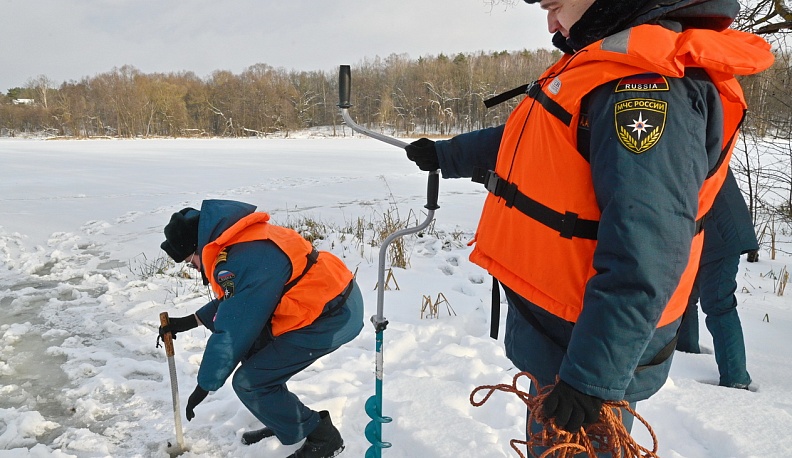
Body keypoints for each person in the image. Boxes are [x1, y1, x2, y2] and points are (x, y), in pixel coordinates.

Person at [404, 0, 773, 452]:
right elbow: (539, 133)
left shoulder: (647, 87)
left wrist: (591, 379)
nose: (550, 23)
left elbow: (647, 252)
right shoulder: (603, 66)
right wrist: (448, 155)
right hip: (559, 333)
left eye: (555, 5)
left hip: (584, 352)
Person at [158, 199, 363, 458]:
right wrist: (190, 321)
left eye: (190, 261)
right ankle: (283, 418)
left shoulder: (242, 258)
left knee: (251, 382)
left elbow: (234, 332)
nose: (195, 268)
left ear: (199, 247)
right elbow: (242, 298)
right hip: (327, 299)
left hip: (330, 315)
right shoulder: (242, 241)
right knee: (256, 355)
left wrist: (204, 385)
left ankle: (323, 437)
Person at [676, 168, 757, 389]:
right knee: (683, 297)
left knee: (718, 304)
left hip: (720, 236)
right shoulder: (696, 139)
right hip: (706, 234)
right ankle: (686, 353)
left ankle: (736, 379)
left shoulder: (691, 144)